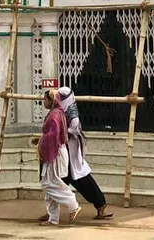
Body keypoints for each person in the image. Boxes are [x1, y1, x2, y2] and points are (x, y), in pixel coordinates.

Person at [55, 86, 111, 220]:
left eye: (60, 98)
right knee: (56, 181)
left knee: (81, 179)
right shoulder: (59, 111)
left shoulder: (73, 116)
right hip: (63, 151)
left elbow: (71, 132)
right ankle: (52, 211)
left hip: (71, 152)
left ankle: (100, 205)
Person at [34, 89, 81, 226]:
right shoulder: (57, 113)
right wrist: (41, 139)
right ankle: (53, 218)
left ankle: (73, 204)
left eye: (45, 99)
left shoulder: (54, 115)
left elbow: (53, 136)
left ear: (52, 100)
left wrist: (42, 140)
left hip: (54, 152)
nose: (44, 101)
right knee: (50, 187)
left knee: (48, 183)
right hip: (56, 150)